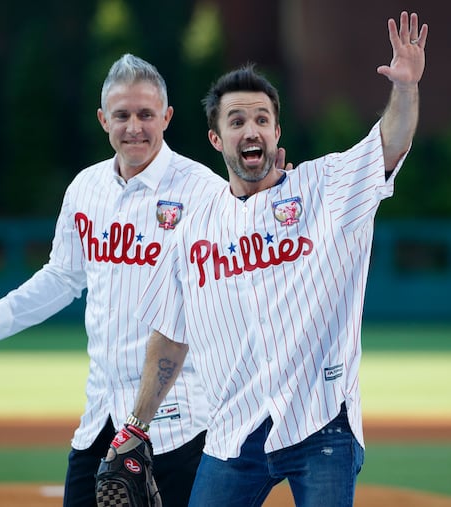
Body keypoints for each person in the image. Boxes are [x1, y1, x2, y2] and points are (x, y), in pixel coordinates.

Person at [113, 11, 428, 507]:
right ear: (217, 139)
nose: (250, 129)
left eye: (261, 119)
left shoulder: (324, 188)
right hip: (233, 435)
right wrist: (136, 426)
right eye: (236, 121)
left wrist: (406, 88)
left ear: (277, 133)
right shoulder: (192, 227)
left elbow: (389, 143)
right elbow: (170, 337)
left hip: (320, 423)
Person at [0, 54, 285, 507]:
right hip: (101, 416)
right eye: (123, 115)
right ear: (102, 118)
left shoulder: (203, 190)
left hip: (182, 424)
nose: (135, 127)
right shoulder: (85, 189)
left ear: (167, 117)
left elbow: (245, 275)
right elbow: (63, 276)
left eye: (147, 114)